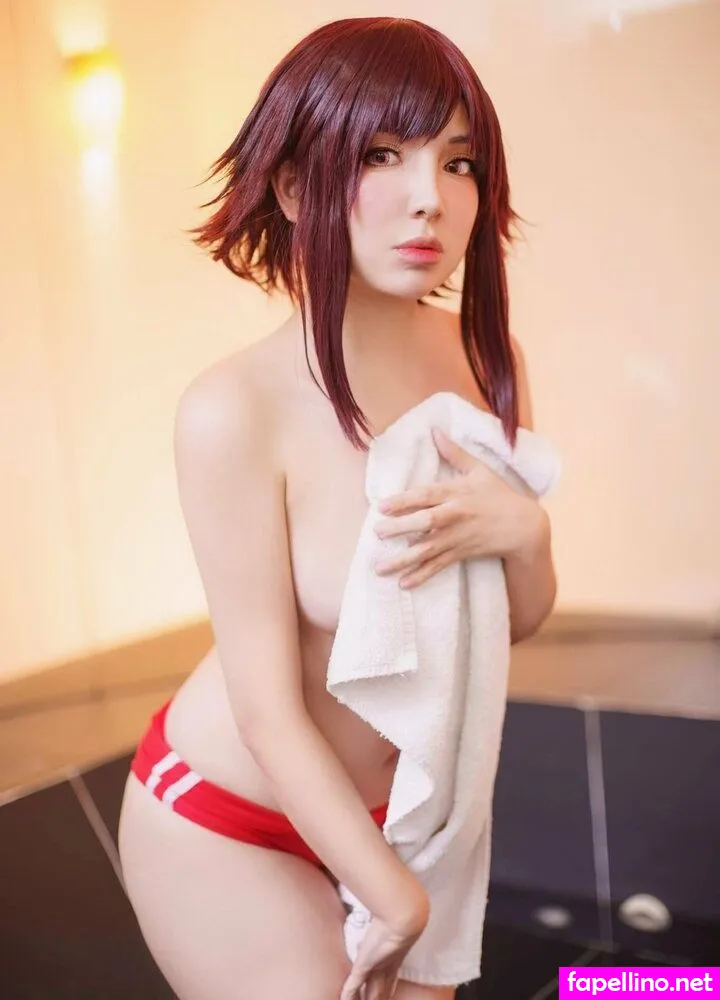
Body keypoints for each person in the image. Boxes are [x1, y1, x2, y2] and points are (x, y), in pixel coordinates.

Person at [118, 15, 557, 1000]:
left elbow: (516, 616)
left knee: (664, 984)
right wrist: (394, 902)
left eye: (458, 162)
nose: (429, 196)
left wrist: (525, 531)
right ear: (291, 186)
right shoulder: (234, 408)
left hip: (405, 818)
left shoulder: (487, 361)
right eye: (379, 155)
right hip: (230, 820)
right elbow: (266, 710)